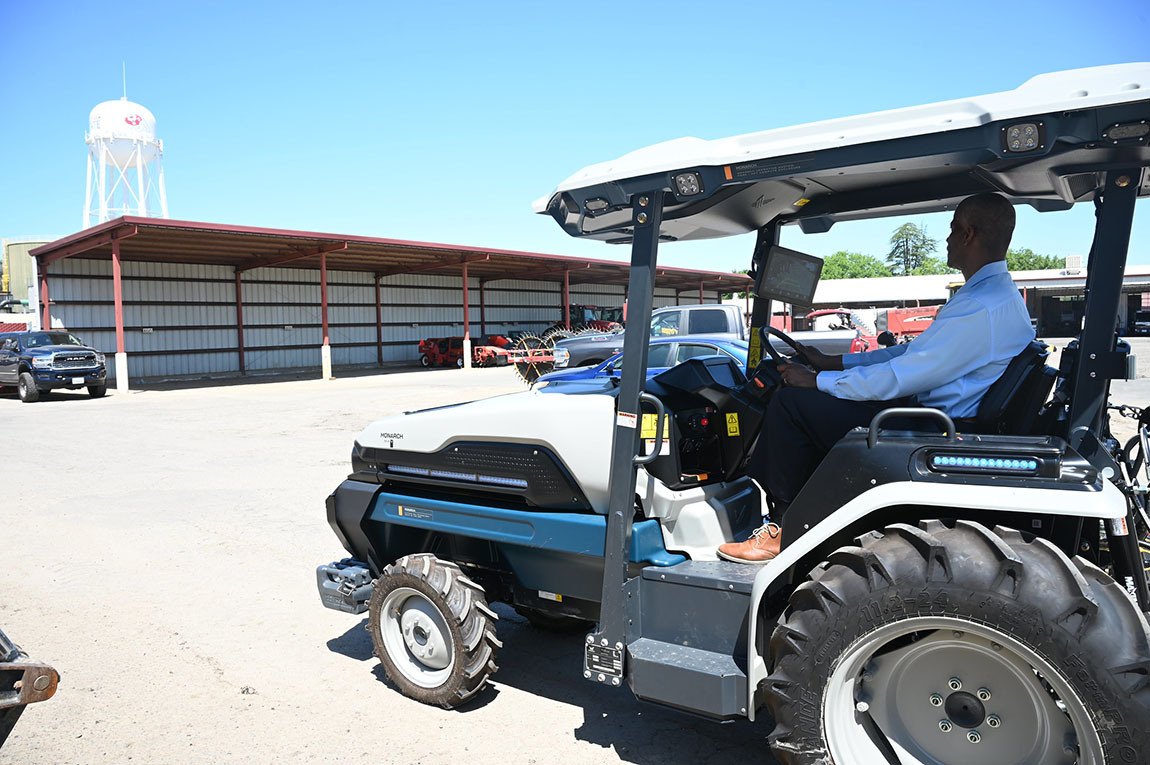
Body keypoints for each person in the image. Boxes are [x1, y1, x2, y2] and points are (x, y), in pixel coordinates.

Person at [719, 193, 1035, 564]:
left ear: (968, 234)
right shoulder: (992, 296)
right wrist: (834, 363)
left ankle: (784, 529)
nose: (946, 239)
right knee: (820, 400)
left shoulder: (981, 306)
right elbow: (910, 354)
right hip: (933, 415)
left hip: (931, 428)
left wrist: (816, 381)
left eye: (951, 230)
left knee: (790, 405)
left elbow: (904, 375)